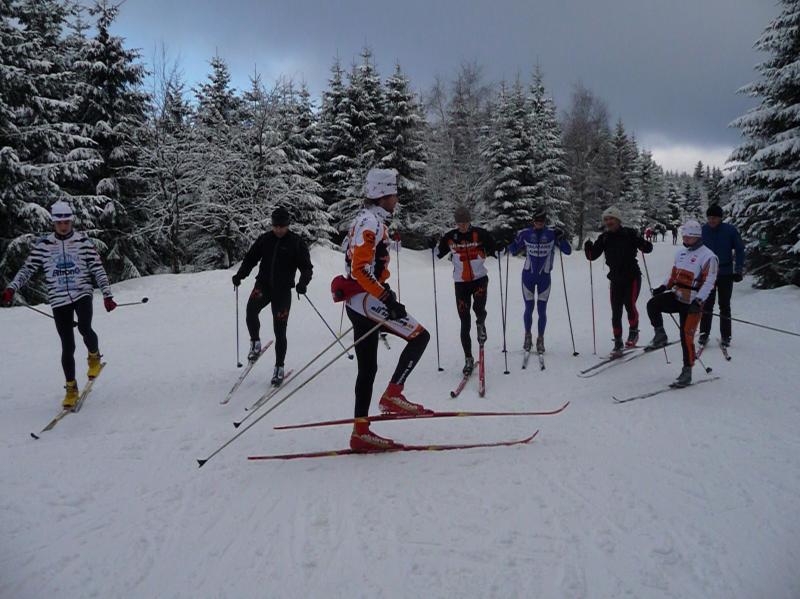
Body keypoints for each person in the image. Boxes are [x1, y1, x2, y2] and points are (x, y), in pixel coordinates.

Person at [332, 168, 431, 452]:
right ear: (382, 195)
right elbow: (360, 268)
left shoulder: (368, 220)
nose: (397, 199)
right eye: (394, 194)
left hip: (357, 300)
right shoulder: (370, 223)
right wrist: (386, 298)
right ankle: (393, 395)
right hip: (366, 299)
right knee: (419, 337)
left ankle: (360, 433)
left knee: (368, 368)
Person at [1, 201, 116, 407]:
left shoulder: (83, 242)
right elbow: (27, 269)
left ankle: (93, 356)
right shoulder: (44, 246)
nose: (63, 225)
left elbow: (98, 269)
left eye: (66, 221)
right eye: (59, 222)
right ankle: (71, 388)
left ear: (71, 221)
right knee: (67, 345)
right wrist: (12, 288)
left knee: (84, 326)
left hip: (82, 293)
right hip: (58, 298)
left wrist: (107, 295)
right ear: (54, 222)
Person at [232, 207, 313, 386]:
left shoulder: (296, 242)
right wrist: (240, 275)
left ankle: (279, 368)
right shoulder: (265, 239)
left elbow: (306, 267)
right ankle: (255, 342)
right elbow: (250, 258)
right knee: (251, 310)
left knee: (280, 330)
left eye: (281, 226)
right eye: (275, 226)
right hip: (263, 285)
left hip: (282, 291)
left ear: (287, 225)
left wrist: (302, 283)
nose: (278, 230)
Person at [644, 220, 718, 387]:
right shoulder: (681, 253)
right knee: (652, 304)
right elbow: (673, 275)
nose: (685, 239)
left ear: (697, 237)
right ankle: (660, 335)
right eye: (684, 236)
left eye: (688, 237)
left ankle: (687, 371)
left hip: (693, 301)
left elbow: (709, 282)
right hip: (677, 296)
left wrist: (699, 301)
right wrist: (663, 287)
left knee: (686, 336)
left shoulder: (709, 256)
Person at [435, 205, 496, 375]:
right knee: (464, 321)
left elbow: (495, 248)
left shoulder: (480, 233)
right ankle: (468, 358)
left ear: (470, 221)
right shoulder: (450, 237)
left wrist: (499, 244)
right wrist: (432, 244)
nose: (462, 226)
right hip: (461, 284)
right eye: (459, 223)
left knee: (479, 309)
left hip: (479, 280)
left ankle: (481, 323)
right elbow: (437, 254)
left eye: (465, 222)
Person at [584, 206, 653, 356]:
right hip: (615, 279)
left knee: (629, 304)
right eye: (606, 219)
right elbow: (592, 256)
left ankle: (633, 331)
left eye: (611, 219)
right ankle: (618, 341)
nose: (609, 222)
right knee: (616, 311)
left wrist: (643, 243)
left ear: (618, 220)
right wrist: (588, 247)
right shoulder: (604, 238)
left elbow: (648, 249)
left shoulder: (629, 233)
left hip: (632, 277)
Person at [507, 209, 571, 354]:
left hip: (544, 278)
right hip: (527, 277)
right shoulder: (526, 233)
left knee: (542, 310)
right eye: (536, 221)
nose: (539, 224)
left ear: (545, 221)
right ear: (533, 221)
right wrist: (509, 240)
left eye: (541, 221)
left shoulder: (551, 234)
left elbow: (567, 251)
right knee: (529, 308)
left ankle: (540, 339)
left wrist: (562, 238)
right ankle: (527, 336)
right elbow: (513, 250)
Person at [699, 205, 745, 348]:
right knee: (707, 304)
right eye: (709, 218)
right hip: (708, 274)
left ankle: (726, 336)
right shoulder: (703, 230)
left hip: (725, 273)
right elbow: (695, 249)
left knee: (724, 305)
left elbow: (739, 249)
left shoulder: (730, 230)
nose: (711, 220)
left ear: (720, 218)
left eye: (715, 218)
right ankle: (703, 334)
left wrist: (738, 270)